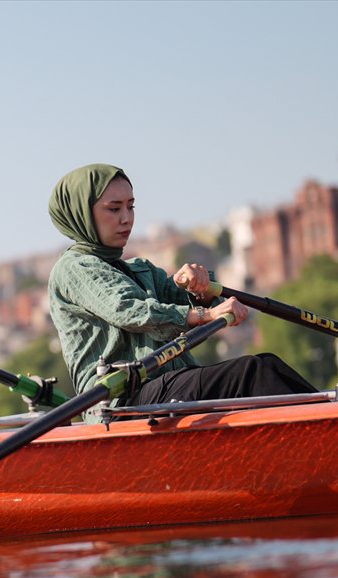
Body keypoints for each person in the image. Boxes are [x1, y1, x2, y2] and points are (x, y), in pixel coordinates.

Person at [47, 163, 316, 416]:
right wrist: (206, 315)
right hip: (122, 401)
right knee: (252, 372)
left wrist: (199, 289)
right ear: (82, 214)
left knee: (269, 364)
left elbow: (181, 301)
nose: (126, 219)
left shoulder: (139, 269)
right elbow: (131, 311)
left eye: (131, 207)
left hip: (168, 386)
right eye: (114, 209)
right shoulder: (73, 267)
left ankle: (331, 421)